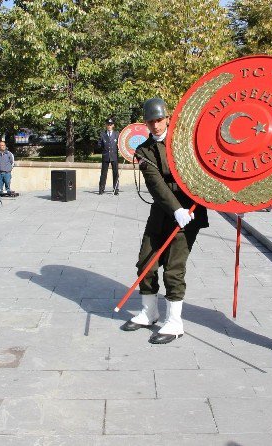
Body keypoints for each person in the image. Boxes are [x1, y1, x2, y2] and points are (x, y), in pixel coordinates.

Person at [120, 98, 208, 344]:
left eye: (159, 120)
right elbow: (156, 184)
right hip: (163, 212)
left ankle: (174, 322)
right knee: (145, 262)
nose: (156, 125)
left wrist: (192, 204)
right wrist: (174, 208)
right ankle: (150, 312)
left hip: (190, 213)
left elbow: (205, 170)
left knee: (173, 269)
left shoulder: (185, 144)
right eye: (151, 121)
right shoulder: (143, 150)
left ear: (167, 118)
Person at [97, 117, 120, 195]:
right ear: (106, 125)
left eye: (111, 124)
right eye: (108, 124)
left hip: (114, 156)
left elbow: (120, 144)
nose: (109, 126)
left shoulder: (117, 134)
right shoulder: (102, 134)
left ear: (113, 125)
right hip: (106, 156)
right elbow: (99, 145)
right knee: (103, 173)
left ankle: (116, 189)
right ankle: (101, 189)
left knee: (115, 173)